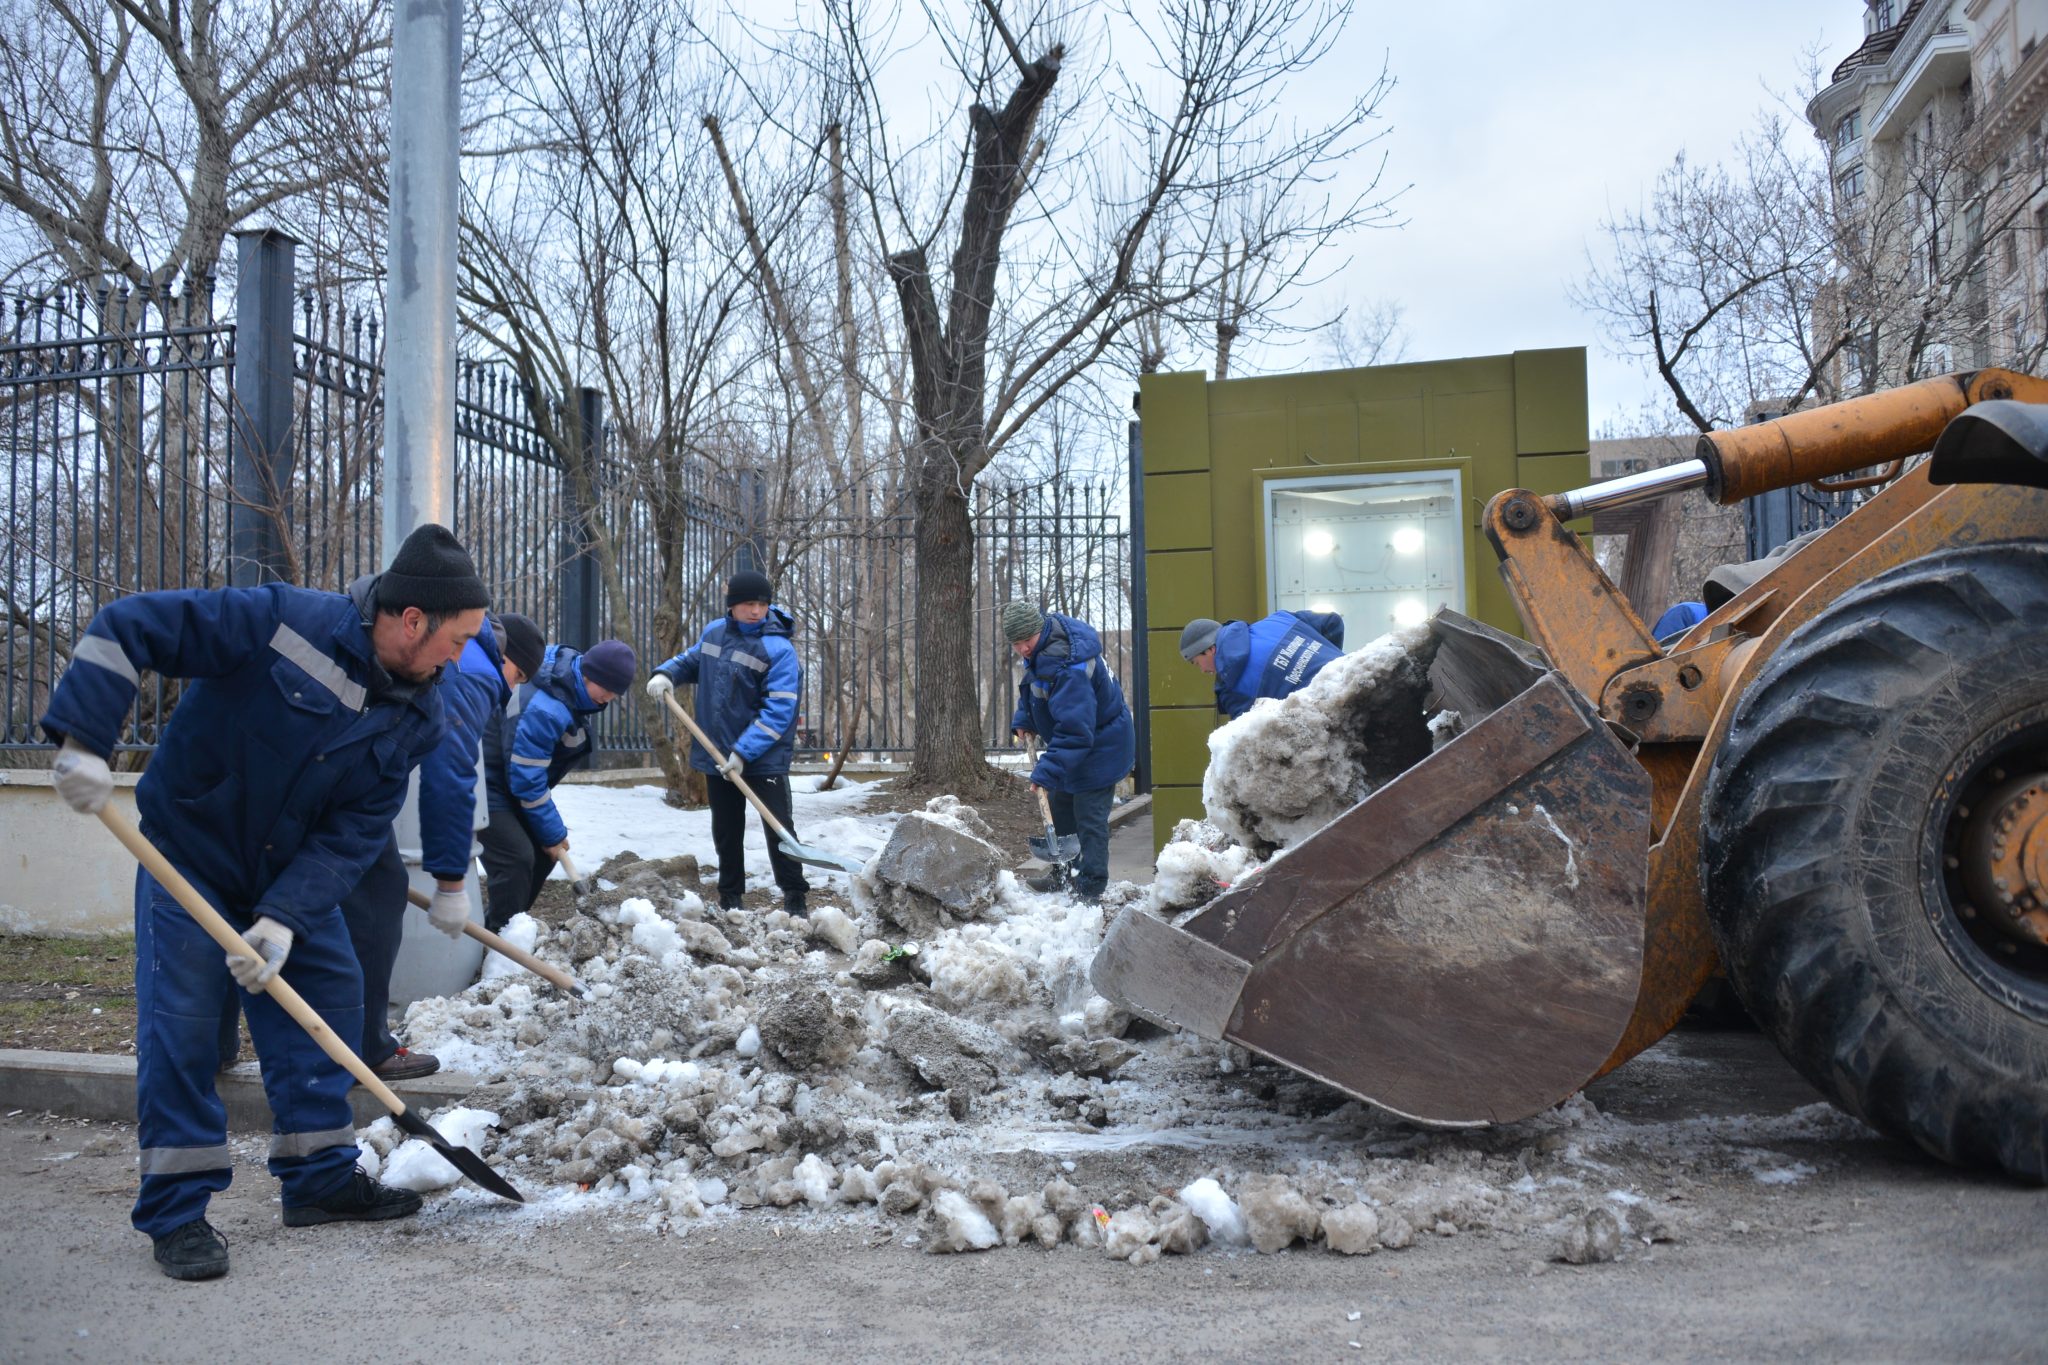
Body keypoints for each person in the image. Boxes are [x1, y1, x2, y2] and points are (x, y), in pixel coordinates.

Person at [41, 524, 488, 1281]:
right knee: (181, 1025)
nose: (461, 655)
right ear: (412, 620)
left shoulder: (421, 715)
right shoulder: (284, 619)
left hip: (285, 880)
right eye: (458, 637)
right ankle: (177, 1212)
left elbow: (352, 833)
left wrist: (285, 917)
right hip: (191, 854)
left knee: (329, 997)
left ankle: (317, 1181)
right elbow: (130, 626)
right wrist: (84, 737)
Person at [340, 610, 545, 1082]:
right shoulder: (475, 673)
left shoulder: (458, 651)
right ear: (506, 660)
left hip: (343, 783)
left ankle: (219, 1049)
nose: (512, 689)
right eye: (517, 675)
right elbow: (450, 770)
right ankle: (364, 1048)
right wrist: (451, 880)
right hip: (345, 794)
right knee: (376, 902)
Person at [646, 570, 809, 915]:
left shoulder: (778, 649)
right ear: (733, 605)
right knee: (726, 831)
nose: (756, 611)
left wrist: (743, 752)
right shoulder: (714, 633)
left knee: (779, 829)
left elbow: (779, 710)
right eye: (749, 603)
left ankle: (795, 899)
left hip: (762, 756)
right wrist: (665, 673)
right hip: (718, 752)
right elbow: (690, 662)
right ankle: (730, 899)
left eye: (762, 604)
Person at [477, 634, 636, 930]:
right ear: (590, 674)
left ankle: (513, 926)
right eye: (608, 688)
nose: (610, 698)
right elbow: (526, 779)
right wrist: (552, 832)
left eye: (617, 692)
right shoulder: (546, 708)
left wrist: (549, 836)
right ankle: (497, 938)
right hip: (484, 784)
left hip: (509, 783)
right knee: (516, 859)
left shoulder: (567, 689)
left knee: (542, 852)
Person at [1001, 600, 1135, 902]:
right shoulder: (1043, 650)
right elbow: (1034, 688)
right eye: (1016, 643)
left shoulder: (1068, 665)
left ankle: (1091, 887)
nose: (1023, 649)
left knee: (1089, 819)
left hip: (1102, 746)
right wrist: (1025, 719)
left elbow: (1076, 730)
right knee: (1061, 808)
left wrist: (1047, 772)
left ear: (1040, 630)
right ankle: (1062, 874)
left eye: (1027, 641)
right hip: (1078, 743)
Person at [1178, 609, 1344, 720]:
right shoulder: (1279, 620)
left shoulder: (1233, 688)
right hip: (1357, 680)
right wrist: (1330, 664)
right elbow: (1332, 622)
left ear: (1210, 650)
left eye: (1197, 663)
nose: (1203, 670)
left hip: (1340, 718)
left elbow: (1252, 740)